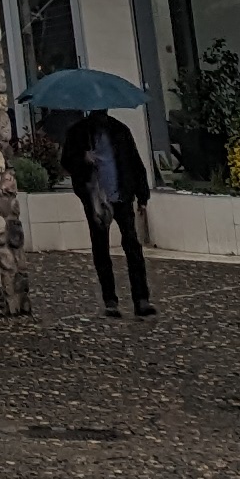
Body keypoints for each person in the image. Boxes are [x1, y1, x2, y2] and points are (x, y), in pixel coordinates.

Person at [64, 105, 155, 319]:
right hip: (96, 199)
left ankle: (141, 299)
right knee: (101, 250)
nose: (101, 115)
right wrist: (83, 158)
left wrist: (142, 196)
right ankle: (110, 300)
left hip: (121, 196)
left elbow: (134, 162)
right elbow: (67, 161)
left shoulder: (120, 131)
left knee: (132, 246)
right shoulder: (79, 133)